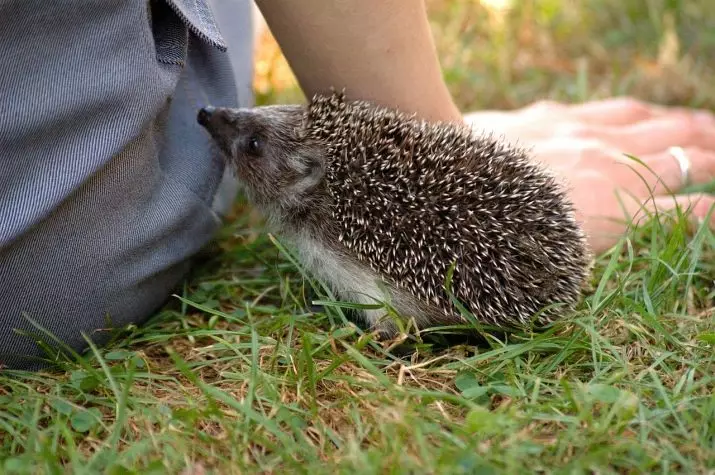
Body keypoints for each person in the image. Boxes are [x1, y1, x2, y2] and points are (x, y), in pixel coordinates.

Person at [1, 1, 713, 371]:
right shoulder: (317, 197)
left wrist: (433, 149)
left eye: (246, 141)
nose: (216, 125)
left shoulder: (324, 223)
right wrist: (426, 127)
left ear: (306, 180)